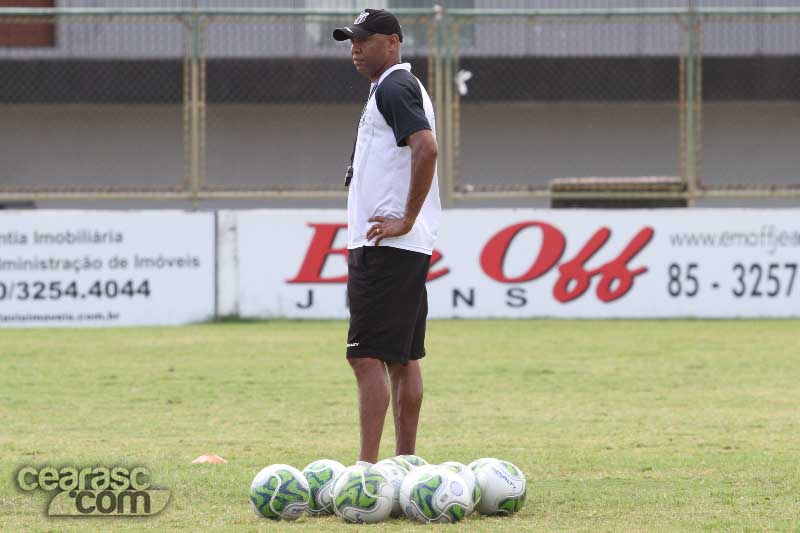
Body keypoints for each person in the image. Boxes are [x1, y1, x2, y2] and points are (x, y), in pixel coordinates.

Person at [333, 8, 441, 465]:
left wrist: (405, 219)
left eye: (365, 39)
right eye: (351, 41)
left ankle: (367, 471)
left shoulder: (396, 84)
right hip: (394, 246)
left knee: (366, 356)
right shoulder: (390, 88)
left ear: (393, 42)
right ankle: (405, 465)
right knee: (401, 357)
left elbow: (426, 147)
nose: (355, 48)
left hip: (387, 245)